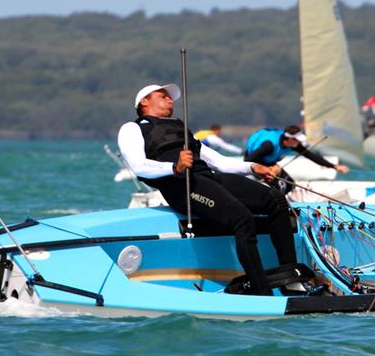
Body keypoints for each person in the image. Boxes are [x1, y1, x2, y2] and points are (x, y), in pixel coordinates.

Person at [118, 83, 294, 296]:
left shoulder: (179, 128)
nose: (170, 99)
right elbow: (138, 165)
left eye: (170, 97)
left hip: (207, 179)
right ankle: (261, 291)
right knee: (242, 218)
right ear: (144, 101)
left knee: (275, 200)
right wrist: (174, 167)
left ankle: (290, 277)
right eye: (163, 96)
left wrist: (252, 167)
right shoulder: (133, 128)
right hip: (181, 187)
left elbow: (219, 162)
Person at [244, 125, 349, 191]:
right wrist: (268, 170)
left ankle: (279, 203)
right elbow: (248, 161)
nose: (299, 143)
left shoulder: (293, 144)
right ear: (289, 139)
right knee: (275, 185)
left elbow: (310, 155)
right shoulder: (269, 146)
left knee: (289, 185)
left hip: (270, 163)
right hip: (256, 163)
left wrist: (334, 166)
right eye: (297, 140)